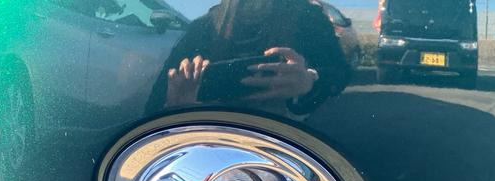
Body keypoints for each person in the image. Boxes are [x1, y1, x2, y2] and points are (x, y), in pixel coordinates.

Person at [145, 0, 349, 116]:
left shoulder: (307, 18)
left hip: (285, 141)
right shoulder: (204, 27)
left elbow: (340, 73)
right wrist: (178, 106)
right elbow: (156, 103)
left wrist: (310, 80)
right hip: (210, 139)